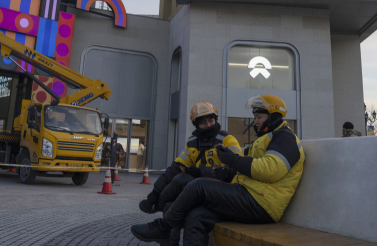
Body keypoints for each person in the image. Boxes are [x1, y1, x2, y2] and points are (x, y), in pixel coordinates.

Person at [131, 95, 305, 246]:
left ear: (274, 116)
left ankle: (163, 227)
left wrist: (232, 160)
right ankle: (162, 218)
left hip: (263, 203)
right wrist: (230, 172)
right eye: (255, 117)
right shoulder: (264, 139)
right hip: (249, 196)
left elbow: (270, 170)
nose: (256, 121)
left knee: (199, 186)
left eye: (259, 117)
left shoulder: (285, 137)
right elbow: (248, 168)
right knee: (195, 216)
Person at [138, 102, 242, 245]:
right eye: (203, 122)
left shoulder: (227, 140)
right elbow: (176, 166)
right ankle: (166, 235)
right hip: (198, 191)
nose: (209, 125)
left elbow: (233, 169)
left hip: (221, 191)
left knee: (183, 180)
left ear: (216, 119)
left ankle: (156, 206)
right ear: (196, 124)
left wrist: (200, 172)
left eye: (211, 120)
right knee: (171, 203)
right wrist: (155, 191)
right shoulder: (192, 141)